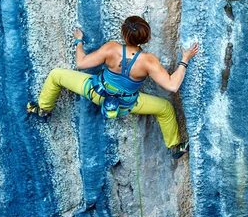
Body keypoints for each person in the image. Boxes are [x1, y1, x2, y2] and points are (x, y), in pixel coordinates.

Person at [27, 16, 199, 158]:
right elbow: (172, 85)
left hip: (96, 91)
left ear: (123, 35)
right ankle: (175, 148)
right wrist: (185, 59)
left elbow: (81, 63)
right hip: (127, 104)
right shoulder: (148, 61)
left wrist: (79, 41)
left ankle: (42, 110)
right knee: (165, 108)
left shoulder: (112, 48)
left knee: (56, 75)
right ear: (147, 38)